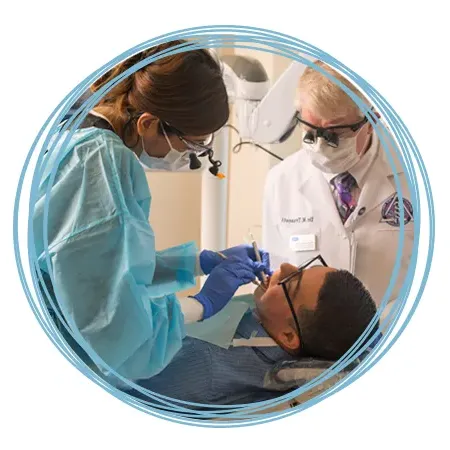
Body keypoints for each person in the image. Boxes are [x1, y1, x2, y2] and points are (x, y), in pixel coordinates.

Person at [33, 40, 271, 384]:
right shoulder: (99, 159)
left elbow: (96, 263)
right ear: (147, 123)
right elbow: (113, 329)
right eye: (192, 144)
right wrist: (203, 303)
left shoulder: (78, 132)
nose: (191, 155)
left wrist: (198, 262)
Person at [262, 60, 414, 317]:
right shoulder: (281, 181)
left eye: (336, 133)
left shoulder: (415, 177)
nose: (320, 146)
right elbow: (279, 276)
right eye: (310, 132)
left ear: (371, 120)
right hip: (315, 345)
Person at [127, 256, 378, 406]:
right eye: (302, 267)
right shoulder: (263, 321)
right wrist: (195, 262)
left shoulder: (206, 366)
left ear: (289, 337)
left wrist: (198, 305)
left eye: (291, 281)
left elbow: (111, 341)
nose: (285, 266)